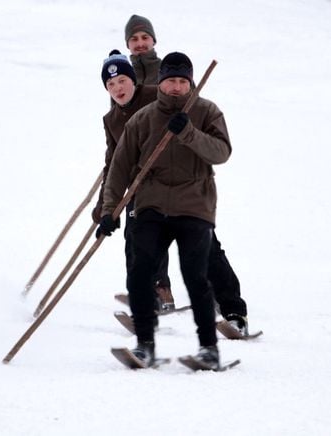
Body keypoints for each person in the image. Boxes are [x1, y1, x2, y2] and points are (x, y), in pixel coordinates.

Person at [96, 52, 231, 369]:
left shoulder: (207, 111)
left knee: (195, 276)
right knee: (140, 273)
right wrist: (108, 211)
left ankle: (209, 349)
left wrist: (189, 133)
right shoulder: (142, 119)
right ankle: (145, 345)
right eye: (170, 80)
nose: (175, 87)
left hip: (193, 203)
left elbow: (222, 152)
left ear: (190, 83)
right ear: (161, 83)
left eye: (182, 81)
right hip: (151, 203)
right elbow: (119, 169)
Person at [92, 50, 175, 312]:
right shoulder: (111, 119)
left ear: (133, 80)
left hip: (173, 178)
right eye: (110, 84)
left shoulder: (152, 95)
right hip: (139, 188)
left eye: (122, 81)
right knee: (134, 238)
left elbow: (184, 99)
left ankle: (163, 291)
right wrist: (106, 209)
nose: (117, 88)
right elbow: (113, 165)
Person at [124, 14, 161, 85]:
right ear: (128, 44)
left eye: (145, 38)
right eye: (134, 39)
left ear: (153, 41)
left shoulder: (168, 72)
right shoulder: (124, 79)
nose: (140, 44)